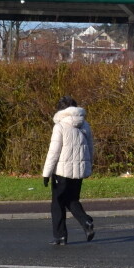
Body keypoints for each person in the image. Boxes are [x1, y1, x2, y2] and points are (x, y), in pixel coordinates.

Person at [42, 96, 96, 246]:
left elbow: (54, 152)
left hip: (62, 171)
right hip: (80, 171)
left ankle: (60, 237)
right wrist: (89, 165)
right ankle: (86, 222)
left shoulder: (59, 126)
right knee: (72, 199)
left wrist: (46, 173)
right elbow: (91, 148)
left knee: (58, 203)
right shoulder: (85, 124)